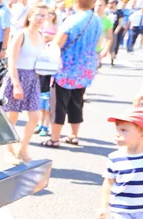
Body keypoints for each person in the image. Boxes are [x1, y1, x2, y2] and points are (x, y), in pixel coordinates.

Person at [40, 0, 103, 148]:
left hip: (66, 68)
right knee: (77, 102)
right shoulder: (97, 20)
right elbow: (98, 43)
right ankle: (74, 135)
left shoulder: (73, 20)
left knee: (58, 103)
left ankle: (54, 138)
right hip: (85, 68)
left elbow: (58, 44)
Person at [96, 108, 143, 219]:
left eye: (124, 130)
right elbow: (108, 183)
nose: (118, 134)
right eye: (117, 129)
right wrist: (103, 207)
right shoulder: (115, 158)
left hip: (141, 209)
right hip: (122, 208)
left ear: (141, 132)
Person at [2, 3, 49, 163]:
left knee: (35, 116)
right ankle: (9, 149)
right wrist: (16, 84)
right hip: (17, 76)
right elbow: (12, 61)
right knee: (12, 116)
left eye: (44, 15)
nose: (42, 18)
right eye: (38, 15)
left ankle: (22, 148)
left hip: (33, 78)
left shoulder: (41, 35)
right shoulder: (21, 35)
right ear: (30, 16)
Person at [36, 9, 59, 136]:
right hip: (41, 71)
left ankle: (46, 126)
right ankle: (40, 124)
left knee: (48, 103)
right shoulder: (40, 28)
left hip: (50, 71)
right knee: (40, 104)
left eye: (51, 14)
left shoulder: (56, 28)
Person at [106, 0, 124, 65]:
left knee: (112, 47)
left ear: (115, 4)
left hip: (114, 31)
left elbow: (120, 23)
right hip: (106, 31)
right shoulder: (106, 11)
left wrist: (115, 32)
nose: (110, 4)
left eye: (112, 3)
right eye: (109, 3)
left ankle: (112, 60)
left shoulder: (119, 12)